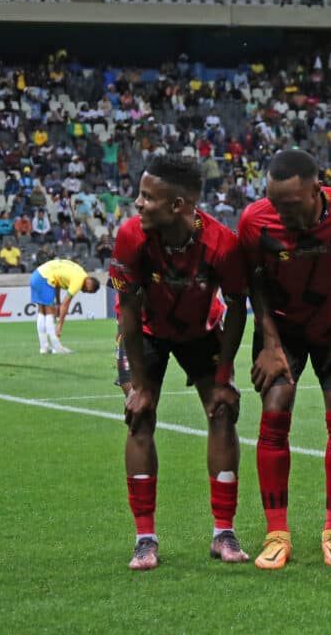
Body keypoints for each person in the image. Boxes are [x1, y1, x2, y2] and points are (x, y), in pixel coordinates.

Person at [238, 149, 331, 571]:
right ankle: (276, 533)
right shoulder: (255, 220)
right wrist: (268, 341)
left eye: (290, 204)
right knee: (275, 409)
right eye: (274, 203)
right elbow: (254, 282)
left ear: (316, 188)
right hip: (280, 330)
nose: (280, 212)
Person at [111, 156, 250, 572]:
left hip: (201, 332)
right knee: (140, 416)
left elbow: (239, 309)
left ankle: (223, 532)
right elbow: (129, 316)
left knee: (222, 411)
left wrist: (224, 378)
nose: (137, 204)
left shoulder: (222, 244)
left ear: (178, 205)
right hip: (147, 333)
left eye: (147, 197)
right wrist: (140, 384)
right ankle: (144, 540)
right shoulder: (130, 236)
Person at [29, 258, 101, 354]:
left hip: (37, 275)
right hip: (45, 278)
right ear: (89, 282)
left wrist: (58, 302)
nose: (84, 291)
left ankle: (44, 348)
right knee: (50, 312)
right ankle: (57, 347)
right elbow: (65, 304)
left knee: (42, 311)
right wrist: (59, 325)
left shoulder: (81, 273)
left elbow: (58, 283)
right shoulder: (78, 281)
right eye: (87, 290)